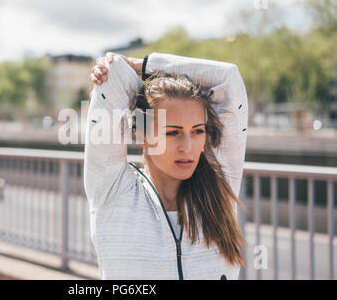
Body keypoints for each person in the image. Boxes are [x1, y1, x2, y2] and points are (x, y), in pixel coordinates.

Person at [84, 52, 249, 280]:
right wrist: (130, 86)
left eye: (198, 131)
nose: (188, 147)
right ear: (141, 133)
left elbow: (228, 78)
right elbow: (114, 78)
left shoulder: (220, 186)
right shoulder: (112, 190)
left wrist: (143, 66)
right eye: (172, 133)